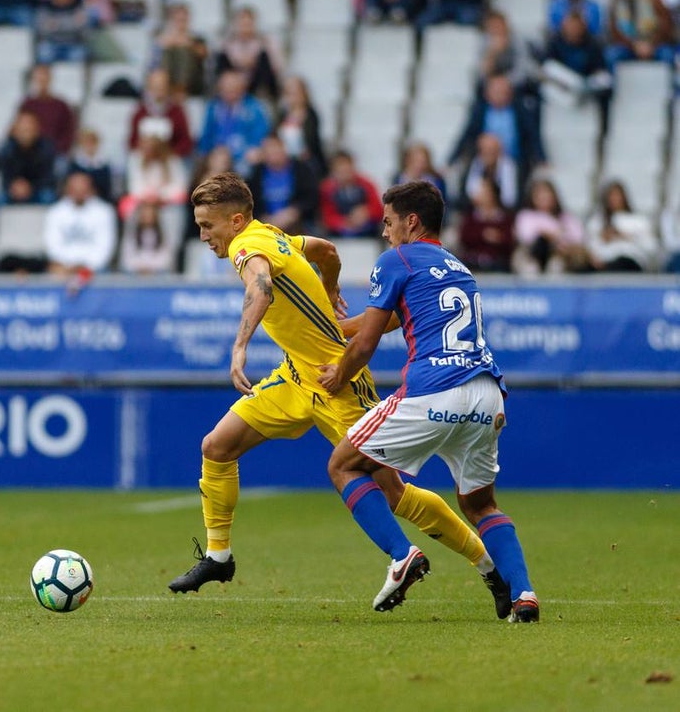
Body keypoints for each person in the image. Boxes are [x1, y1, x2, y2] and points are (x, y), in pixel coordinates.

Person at [170, 173, 510, 620]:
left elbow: (261, 287)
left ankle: (487, 567)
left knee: (393, 494)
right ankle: (218, 557)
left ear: (235, 221)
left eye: (207, 226)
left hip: (338, 379)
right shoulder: (273, 235)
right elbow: (326, 251)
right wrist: (330, 288)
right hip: (295, 377)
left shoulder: (246, 247)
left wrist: (238, 348)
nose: (203, 236)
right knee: (217, 446)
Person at [317, 180, 538, 621]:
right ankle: (524, 595)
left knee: (343, 465)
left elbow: (366, 345)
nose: (384, 231)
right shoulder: (457, 266)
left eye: (388, 221)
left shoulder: (395, 259)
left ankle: (402, 555)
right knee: (480, 505)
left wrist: (339, 374)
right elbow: (396, 317)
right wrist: (334, 328)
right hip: (488, 394)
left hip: (436, 389)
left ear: (410, 221)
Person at [43, 171, 116, 275]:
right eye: (75, 189)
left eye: (83, 189)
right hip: (63, 268)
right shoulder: (55, 212)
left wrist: (86, 267)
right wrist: (68, 266)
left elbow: (105, 247)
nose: (79, 192)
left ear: (91, 189)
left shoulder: (104, 211)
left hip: (95, 269)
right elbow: (52, 245)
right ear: (68, 189)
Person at [513, 177, 587, 275]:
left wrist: (558, 240)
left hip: (560, 256)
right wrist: (552, 235)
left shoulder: (566, 218)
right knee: (529, 266)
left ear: (554, 196)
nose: (544, 198)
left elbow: (578, 237)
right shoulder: (526, 216)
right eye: (539, 196)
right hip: (532, 255)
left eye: (547, 195)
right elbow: (527, 237)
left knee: (556, 265)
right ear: (533, 197)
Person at [584, 181, 659, 272]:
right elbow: (590, 246)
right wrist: (602, 239)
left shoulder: (638, 221)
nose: (614, 200)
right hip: (604, 262)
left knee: (620, 264)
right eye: (611, 196)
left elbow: (651, 248)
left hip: (629, 261)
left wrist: (627, 237)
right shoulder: (597, 222)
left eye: (617, 196)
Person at [215, 6, 283, 102]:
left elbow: (277, 66)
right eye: (242, 23)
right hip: (234, 81)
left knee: (263, 57)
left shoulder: (265, 42)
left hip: (256, 81)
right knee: (221, 56)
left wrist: (253, 61)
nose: (245, 27)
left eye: (248, 23)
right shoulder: (228, 43)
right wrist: (239, 63)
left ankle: (260, 95)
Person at [319, 150, 383, 237]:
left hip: (367, 230)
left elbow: (379, 208)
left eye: (347, 169)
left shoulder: (366, 184)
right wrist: (345, 222)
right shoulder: (327, 189)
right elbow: (326, 216)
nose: (345, 173)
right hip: (339, 234)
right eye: (340, 170)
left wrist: (366, 212)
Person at [458, 176, 515, 273]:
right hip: (473, 263)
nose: (479, 194)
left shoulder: (505, 218)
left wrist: (498, 238)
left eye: (483, 191)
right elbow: (464, 238)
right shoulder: (470, 217)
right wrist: (483, 235)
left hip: (498, 264)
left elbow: (510, 242)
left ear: (492, 194)